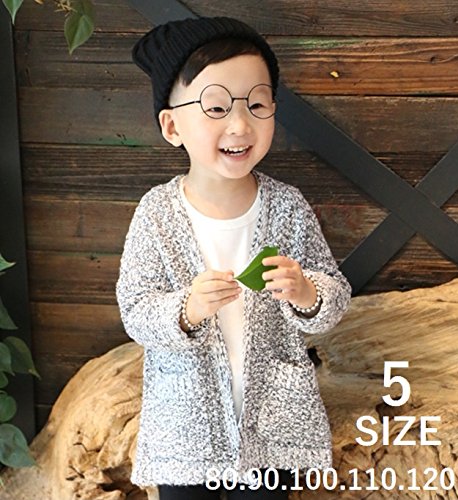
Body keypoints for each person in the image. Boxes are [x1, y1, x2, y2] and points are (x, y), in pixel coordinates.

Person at [116, 16, 351, 500]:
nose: (240, 125)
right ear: (172, 125)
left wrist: (308, 292)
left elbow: (334, 294)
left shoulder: (287, 207)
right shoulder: (157, 214)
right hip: (185, 426)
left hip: (273, 420)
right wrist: (186, 310)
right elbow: (135, 310)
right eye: (216, 107)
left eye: (257, 104)